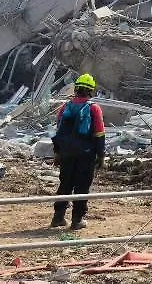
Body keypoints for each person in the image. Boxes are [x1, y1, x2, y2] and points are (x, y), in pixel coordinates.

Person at [51, 73, 106, 230]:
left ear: (76, 89)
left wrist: (57, 153)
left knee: (65, 184)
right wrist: (101, 155)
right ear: (91, 91)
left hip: (66, 153)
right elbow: (99, 134)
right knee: (82, 187)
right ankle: (77, 219)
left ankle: (58, 217)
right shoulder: (93, 108)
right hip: (86, 154)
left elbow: (58, 133)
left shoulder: (65, 107)